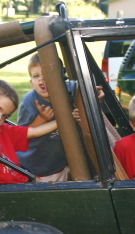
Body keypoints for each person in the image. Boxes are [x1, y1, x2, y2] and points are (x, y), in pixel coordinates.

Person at [16, 53, 83, 182]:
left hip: (57, 164)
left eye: (47, 74)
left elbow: (89, 96)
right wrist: (41, 119)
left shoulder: (71, 91)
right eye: (36, 76)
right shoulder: (29, 101)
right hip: (33, 164)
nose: (41, 80)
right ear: (31, 83)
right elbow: (21, 134)